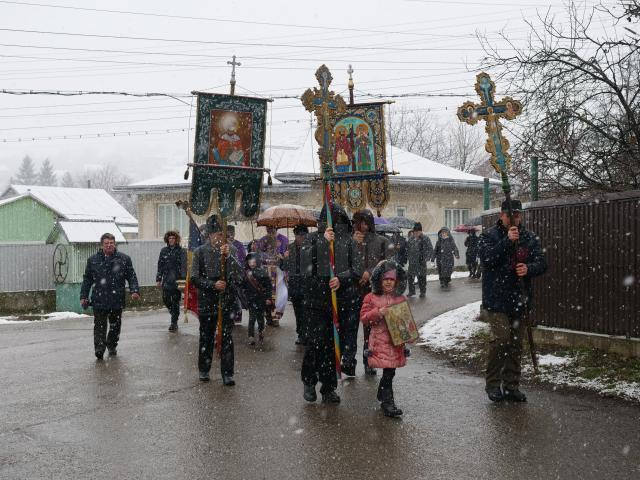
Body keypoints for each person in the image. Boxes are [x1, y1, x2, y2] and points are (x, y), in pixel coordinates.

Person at [479, 200, 547, 403]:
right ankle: (492, 384)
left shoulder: (529, 238)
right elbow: (487, 259)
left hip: (520, 299)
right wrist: (507, 241)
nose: (513, 218)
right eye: (510, 215)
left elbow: (542, 263)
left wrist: (529, 269)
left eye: (517, 215)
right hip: (496, 299)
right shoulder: (489, 236)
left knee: (516, 344)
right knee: (501, 340)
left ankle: (511, 386)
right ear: (502, 215)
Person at [300, 203, 359, 403]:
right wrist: (323, 244)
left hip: (339, 302)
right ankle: (309, 381)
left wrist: (341, 278)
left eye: (341, 221)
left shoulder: (349, 241)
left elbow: (356, 269)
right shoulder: (311, 238)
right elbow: (305, 266)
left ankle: (328, 387)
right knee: (316, 345)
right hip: (316, 302)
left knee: (334, 347)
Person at [190, 215, 243, 385]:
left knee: (227, 338)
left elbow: (239, 276)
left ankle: (227, 373)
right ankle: (204, 369)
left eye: (223, 234)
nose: (221, 237)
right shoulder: (199, 252)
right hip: (207, 300)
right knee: (206, 337)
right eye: (217, 234)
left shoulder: (232, 251)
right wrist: (213, 284)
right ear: (210, 235)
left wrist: (228, 258)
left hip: (227, 301)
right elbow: (195, 279)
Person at [360, 261, 409, 418]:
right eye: (385, 279)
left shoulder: (400, 299)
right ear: (379, 280)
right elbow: (364, 318)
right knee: (388, 373)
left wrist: (409, 334)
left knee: (390, 372)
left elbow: (406, 322)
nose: (389, 282)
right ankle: (388, 403)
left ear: (397, 281)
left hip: (395, 343)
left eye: (392, 279)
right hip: (379, 342)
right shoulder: (371, 297)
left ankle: (384, 397)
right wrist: (378, 312)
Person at [80, 232, 140, 360]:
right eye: (106, 243)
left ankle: (112, 345)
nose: (109, 246)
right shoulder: (93, 260)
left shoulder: (124, 259)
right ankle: (99, 348)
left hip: (116, 298)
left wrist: (134, 290)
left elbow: (131, 276)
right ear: (102, 245)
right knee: (99, 326)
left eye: (111, 243)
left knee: (115, 325)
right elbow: (87, 280)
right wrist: (84, 296)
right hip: (99, 298)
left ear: (115, 244)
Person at [352, 209, 394, 376]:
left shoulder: (382, 241)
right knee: (350, 327)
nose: (363, 226)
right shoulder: (349, 241)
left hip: (373, 291)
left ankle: (369, 359)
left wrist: (370, 272)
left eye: (366, 222)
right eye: (359, 222)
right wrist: (353, 244)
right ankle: (349, 360)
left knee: (370, 328)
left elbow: (386, 264)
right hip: (352, 289)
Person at [281, 224, 309, 345]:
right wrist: (285, 258)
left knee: (307, 311)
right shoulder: (290, 248)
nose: (301, 238)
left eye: (303, 235)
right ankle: (301, 334)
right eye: (298, 235)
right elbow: (284, 267)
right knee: (298, 312)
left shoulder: (310, 247)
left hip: (307, 285)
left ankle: (308, 334)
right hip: (294, 285)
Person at [257, 226, 289, 326]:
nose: (270, 229)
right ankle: (269, 316)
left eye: (272, 227)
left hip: (279, 272)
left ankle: (276, 316)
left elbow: (287, 256)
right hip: (266, 273)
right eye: (268, 227)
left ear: (276, 226)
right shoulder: (262, 240)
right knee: (267, 295)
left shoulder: (284, 239)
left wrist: (284, 257)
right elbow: (258, 256)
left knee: (282, 295)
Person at [156, 230, 186, 332]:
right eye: (170, 238)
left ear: (176, 240)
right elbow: (160, 265)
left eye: (173, 238)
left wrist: (183, 280)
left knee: (175, 302)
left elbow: (183, 266)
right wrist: (158, 279)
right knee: (166, 299)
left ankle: (174, 323)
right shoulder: (163, 251)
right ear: (167, 240)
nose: (171, 240)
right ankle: (174, 313)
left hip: (177, 281)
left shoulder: (181, 251)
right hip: (166, 280)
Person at [242, 252, 272, 346]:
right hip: (251, 300)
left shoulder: (263, 272)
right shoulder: (245, 273)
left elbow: (268, 287)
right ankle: (251, 336)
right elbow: (242, 286)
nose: (252, 263)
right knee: (252, 319)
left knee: (260, 318)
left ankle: (261, 333)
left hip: (261, 299)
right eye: (250, 261)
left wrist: (268, 298)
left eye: (254, 261)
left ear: (257, 261)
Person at [226, 225, 247, 325]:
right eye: (228, 234)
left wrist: (240, 273)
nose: (230, 236)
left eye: (232, 233)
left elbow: (242, 260)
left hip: (236, 274)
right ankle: (230, 317)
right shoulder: (223, 244)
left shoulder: (239, 245)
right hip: (227, 274)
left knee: (237, 297)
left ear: (234, 234)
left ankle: (237, 316)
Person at [406, 222, 433, 298]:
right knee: (410, 277)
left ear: (421, 231)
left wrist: (425, 258)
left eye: (418, 231)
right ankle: (411, 291)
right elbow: (407, 249)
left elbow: (430, 249)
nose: (416, 233)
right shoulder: (411, 239)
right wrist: (408, 257)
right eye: (415, 231)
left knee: (422, 278)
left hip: (421, 262)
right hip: (412, 262)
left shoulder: (425, 238)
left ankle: (422, 292)